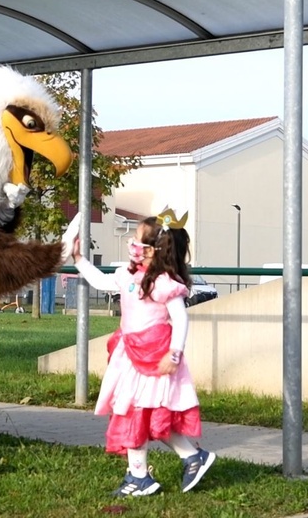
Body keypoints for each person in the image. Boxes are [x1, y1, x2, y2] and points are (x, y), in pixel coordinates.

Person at [67, 208, 215, 497]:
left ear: (153, 251)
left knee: (137, 413)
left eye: (137, 241)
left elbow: (181, 319)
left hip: (154, 358)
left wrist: (174, 354)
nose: (131, 246)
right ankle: (190, 457)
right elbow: (102, 282)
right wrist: (78, 259)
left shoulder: (163, 284)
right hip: (131, 357)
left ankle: (140, 478)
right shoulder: (128, 275)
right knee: (145, 414)